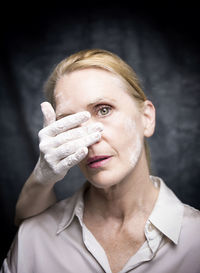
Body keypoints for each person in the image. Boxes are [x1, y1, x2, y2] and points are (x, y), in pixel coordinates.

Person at [1, 49, 200, 273]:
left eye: (104, 110)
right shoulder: (34, 240)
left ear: (146, 118)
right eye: (71, 123)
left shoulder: (196, 242)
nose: (90, 138)